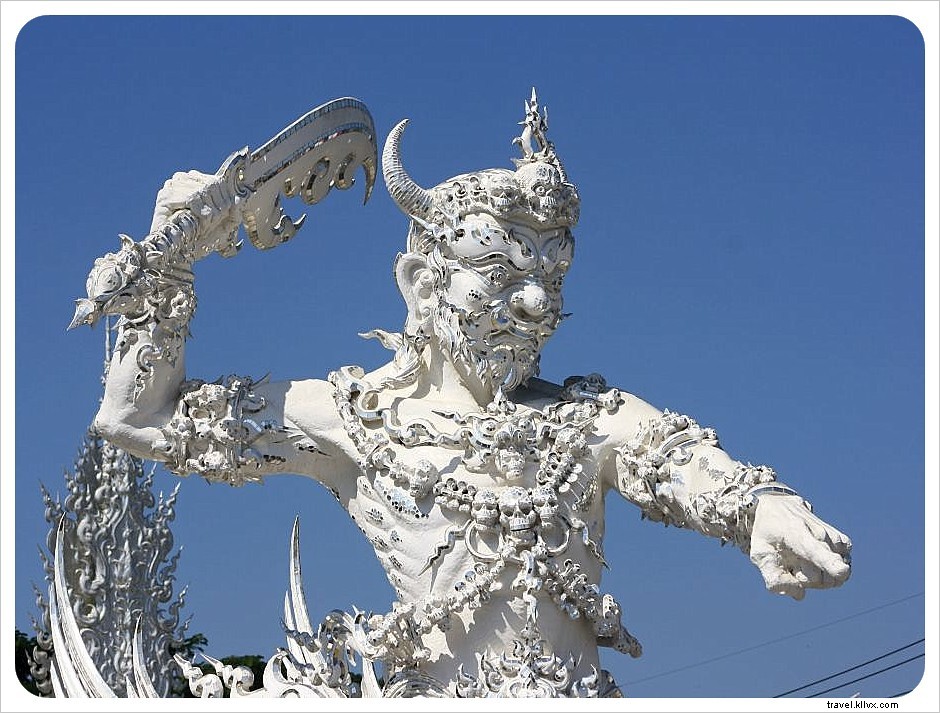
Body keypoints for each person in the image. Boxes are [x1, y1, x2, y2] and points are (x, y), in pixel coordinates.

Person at [76, 92, 851, 698]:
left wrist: (757, 507)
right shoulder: (358, 419)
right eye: (505, 275)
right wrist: (166, 282)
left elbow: (675, 457)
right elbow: (138, 417)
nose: (536, 304)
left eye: (551, 279)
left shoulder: (586, 420)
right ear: (421, 285)